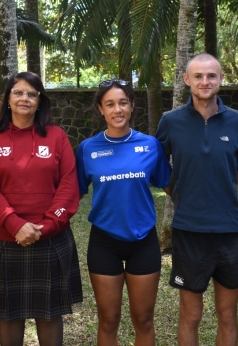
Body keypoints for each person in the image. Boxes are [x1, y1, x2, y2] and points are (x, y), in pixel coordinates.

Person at [0, 71, 83, 346]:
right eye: (18, 92)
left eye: (32, 94)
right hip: (4, 239)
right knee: (9, 316)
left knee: (50, 314)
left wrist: (45, 227)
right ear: (8, 99)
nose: (25, 98)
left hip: (50, 239)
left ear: (40, 101)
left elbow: (69, 188)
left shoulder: (57, 136)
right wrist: (15, 224)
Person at [155, 53, 238, 346]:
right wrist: (178, 191)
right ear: (187, 80)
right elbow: (158, 167)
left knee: (227, 313)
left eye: (211, 75)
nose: (205, 81)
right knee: (191, 314)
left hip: (231, 232)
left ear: (221, 79)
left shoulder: (237, 122)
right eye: (198, 76)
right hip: (189, 230)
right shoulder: (171, 121)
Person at [76, 79, 170, 346]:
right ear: (101, 109)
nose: (117, 110)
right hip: (104, 242)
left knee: (144, 319)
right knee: (108, 319)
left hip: (144, 241)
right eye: (110, 104)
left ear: (132, 106)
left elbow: (173, 187)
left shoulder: (150, 146)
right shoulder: (87, 149)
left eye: (123, 103)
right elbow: (73, 194)